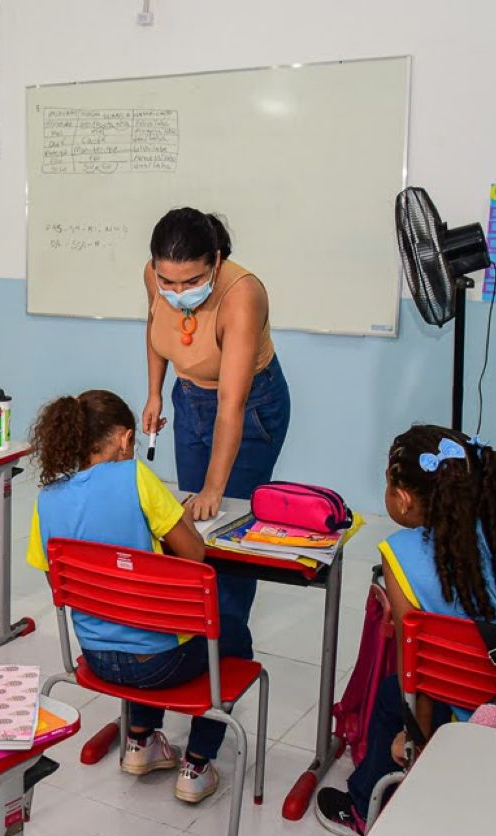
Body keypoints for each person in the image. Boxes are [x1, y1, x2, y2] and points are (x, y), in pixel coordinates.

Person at [316, 425, 496, 836]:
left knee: (393, 693)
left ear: (403, 498)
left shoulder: (400, 556)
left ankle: (361, 811)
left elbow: (415, 671)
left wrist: (416, 740)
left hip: (488, 716)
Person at [26, 389, 244, 804]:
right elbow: (194, 553)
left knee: (133, 623)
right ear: (125, 438)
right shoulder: (135, 476)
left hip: (95, 658)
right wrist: (176, 517)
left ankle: (141, 741)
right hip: (160, 662)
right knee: (234, 635)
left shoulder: (47, 498)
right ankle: (197, 764)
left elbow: (57, 582)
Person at [141, 207, 290, 774]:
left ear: (217, 262)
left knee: (225, 552)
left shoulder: (242, 295)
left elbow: (232, 403)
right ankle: (158, 708)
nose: (178, 292)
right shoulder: (156, 276)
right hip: (189, 400)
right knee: (186, 549)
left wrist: (212, 488)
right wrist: (154, 392)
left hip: (249, 411)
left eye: (191, 281)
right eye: (168, 280)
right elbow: (154, 329)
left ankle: (205, 739)